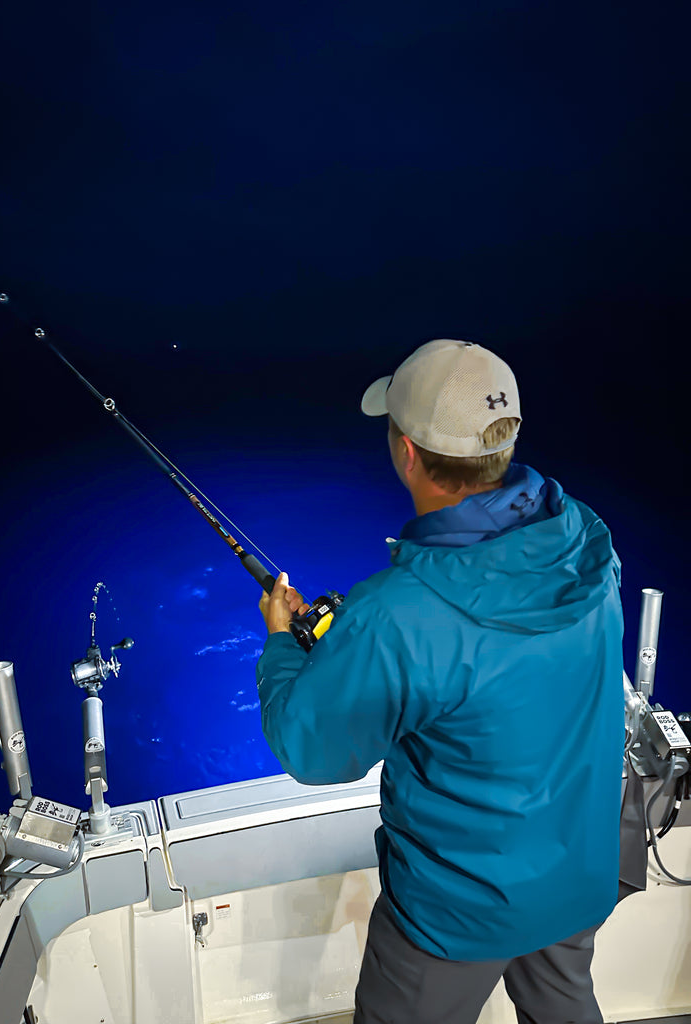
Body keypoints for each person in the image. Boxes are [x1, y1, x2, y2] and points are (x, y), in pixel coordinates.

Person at [256, 338, 624, 1024]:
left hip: (459, 913)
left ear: (407, 453)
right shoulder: (587, 544)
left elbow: (311, 749)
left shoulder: (396, 615)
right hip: (578, 873)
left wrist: (283, 640)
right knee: (566, 1007)